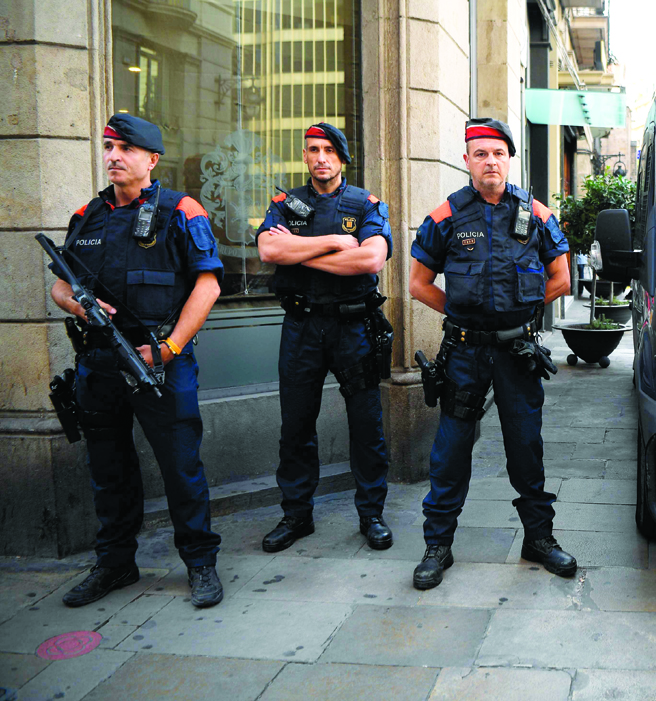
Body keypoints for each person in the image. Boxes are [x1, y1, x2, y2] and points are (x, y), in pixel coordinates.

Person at [50, 113, 224, 608]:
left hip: (159, 364)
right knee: (108, 469)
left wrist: (168, 348)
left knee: (181, 467)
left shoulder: (181, 211)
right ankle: (115, 563)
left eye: (124, 149)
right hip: (99, 364)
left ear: (151, 159)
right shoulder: (87, 215)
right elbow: (61, 284)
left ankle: (200, 563)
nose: (113, 157)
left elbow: (208, 286)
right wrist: (76, 303)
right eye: (108, 147)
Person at [408, 118, 576, 590]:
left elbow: (561, 279)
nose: (490, 162)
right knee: (452, 449)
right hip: (463, 354)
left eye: (498, 153)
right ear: (467, 161)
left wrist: (516, 316)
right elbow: (418, 285)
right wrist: (465, 316)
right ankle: (437, 545)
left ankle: (538, 539)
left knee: (526, 446)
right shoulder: (446, 216)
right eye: (480, 154)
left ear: (509, 159)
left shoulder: (536, 215)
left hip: (516, 352)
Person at [256, 122, 395, 553]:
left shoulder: (366, 204)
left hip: (354, 328)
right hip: (301, 328)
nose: (320, 157)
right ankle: (297, 515)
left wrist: (299, 255)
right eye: (313, 150)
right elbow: (268, 251)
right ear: (304, 156)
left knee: (366, 424)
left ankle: (371, 514)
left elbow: (371, 260)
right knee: (296, 425)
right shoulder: (287, 203)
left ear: (342, 158)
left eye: (329, 150)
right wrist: (336, 242)